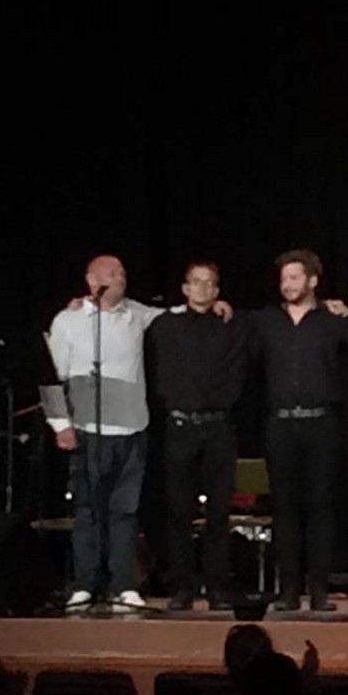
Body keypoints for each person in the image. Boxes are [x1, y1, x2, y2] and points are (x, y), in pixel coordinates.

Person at [41, 255, 166, 612]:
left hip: (131, 428)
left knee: (124, 511)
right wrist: (60, 424)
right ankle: (85, 584)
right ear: (92, 279)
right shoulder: (68, 320)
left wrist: (213, 306)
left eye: (123, 272)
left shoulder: (136, 314)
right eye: (112, 273)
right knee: (88, 510)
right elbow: (50, 376)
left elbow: (179, 315)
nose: (121, 278)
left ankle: (122, 584)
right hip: (87, 429)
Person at [250, 250, 348, 612]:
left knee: (321, 508)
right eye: (284, 278)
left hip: (321, 422)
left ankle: (319, 589)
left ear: (312, 281)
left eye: (295, 277)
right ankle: (289, 590)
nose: (288, 284)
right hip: (280, 423)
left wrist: (337, 309)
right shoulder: (265, 321)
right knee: (284, 509)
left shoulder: (333, 322)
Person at [147, 261, 247, 611]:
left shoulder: (232, 325)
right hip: (180, 426)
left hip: (219, 426)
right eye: (196, 282)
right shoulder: (165, 324)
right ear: (185, 288)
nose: (203, 288)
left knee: (219, 512)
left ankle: (216, 585)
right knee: (179, 511)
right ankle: (182, 586)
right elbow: (128, 312)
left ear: (217, 290)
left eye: (209, 283)